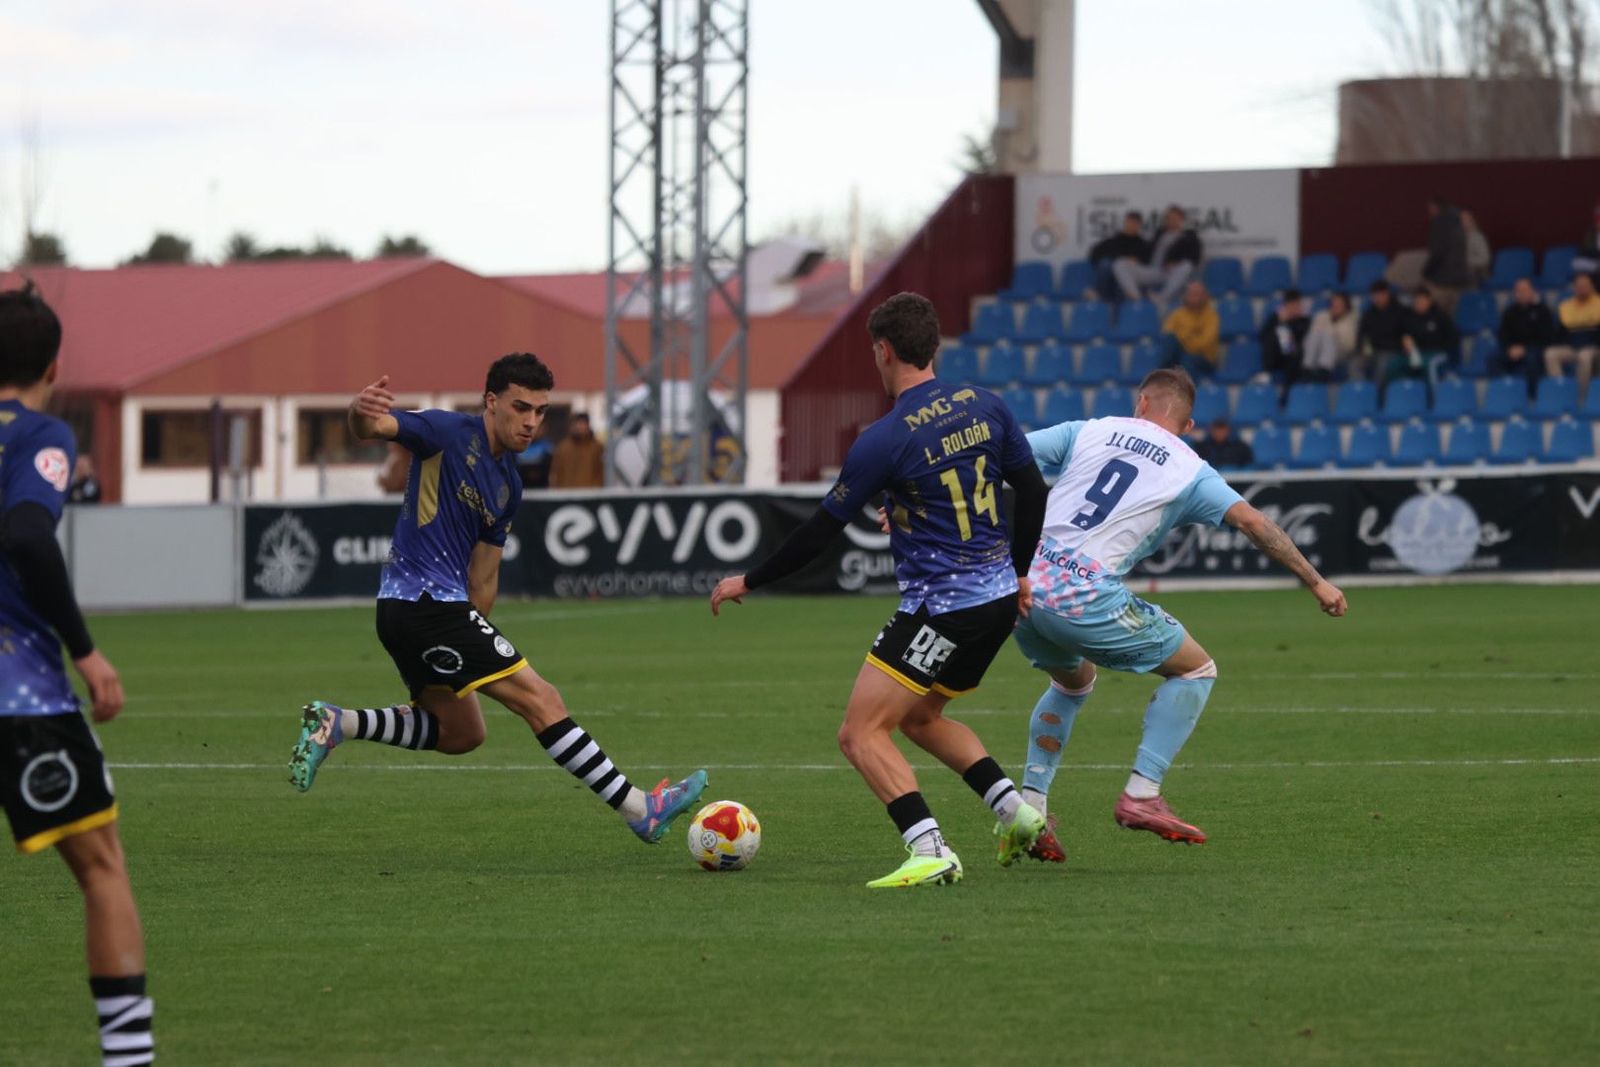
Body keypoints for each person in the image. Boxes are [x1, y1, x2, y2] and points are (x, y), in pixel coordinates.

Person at [288, 355, 707, 847]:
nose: (531, 421)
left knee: (462, 734)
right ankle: (640, 808)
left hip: (428, 615)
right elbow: (372, 426)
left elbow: (484, 577)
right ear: (491, 402)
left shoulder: (508, 484)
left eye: (541, 410)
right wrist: (360, 410)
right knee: (542, 698)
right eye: (520, 407)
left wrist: (472, 642)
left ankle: (340, 723)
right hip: (423, 602)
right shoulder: (444, 432)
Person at [708, 292, 1050, 888]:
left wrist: (750, 579)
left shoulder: (885, 438)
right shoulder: (987, 406)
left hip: (941, 610)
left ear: (883, 351)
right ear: (935, 346)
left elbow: (820, 531)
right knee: (921, 717)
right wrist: (1018, 572)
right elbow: (1032, 491)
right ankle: (1015, 814)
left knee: (859, 732)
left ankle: (929, 848)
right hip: (996, 601)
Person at [1010, 368, 1347, 860]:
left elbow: (1003, 454)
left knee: (1073, 682)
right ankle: (1142, 794)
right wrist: (1316, 580)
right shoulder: (1191, 468)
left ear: (1141, 402)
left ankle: (1029, 808)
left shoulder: (1091, 428)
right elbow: (1254, 524)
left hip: (1020, 586)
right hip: (1082, 596)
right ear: (1188, 425)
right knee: (1198, 669)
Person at [0, 284, 153, 1067]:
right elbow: (28, 533)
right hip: (18, 692)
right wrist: (86, 649)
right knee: (102, 868)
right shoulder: (40, 434)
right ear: (54, 363)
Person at [1113, 205, 1202, 307]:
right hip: (1151, 270)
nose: (1170, 220)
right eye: (1168, 218)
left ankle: (1162, 298)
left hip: (1171, 272)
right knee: (1120, 263)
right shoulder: (1160, 232)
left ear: (1181, 220)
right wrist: (1135, 258)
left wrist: (1176, 261)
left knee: (1187, 265)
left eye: (1174, 218)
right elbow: (1146, 250)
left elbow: (1195, 257)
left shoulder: (1189, 236)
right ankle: (1137, 298)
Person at [1495, 278, 1559, 398]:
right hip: (1514, 349)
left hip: (1535, 348)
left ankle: (1531, 395)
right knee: (1493, 358)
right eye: (1518, 291)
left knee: (1532, 359)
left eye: (1524, 290)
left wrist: (1525, 348)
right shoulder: (1509, 312)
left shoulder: (1543, 310)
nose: (1521, 293)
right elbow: (1503, 335)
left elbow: (1547, 337)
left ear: (1532, 291)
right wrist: (1510, 348)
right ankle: (1503, 392)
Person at [1545, 271, 1600, 399]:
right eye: (1579, 286)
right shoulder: (1565, 307)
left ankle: (1581, 396)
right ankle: (1561, 391)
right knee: (1550, 354)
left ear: (1592, 286)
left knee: (1584, 356)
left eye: (1585, 285)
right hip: (1572, 347)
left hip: (1594, 348)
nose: (1581, 289)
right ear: (1574, 288)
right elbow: (1560, 333)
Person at [1397, 286, 1461, 395]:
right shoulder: (1409, 318)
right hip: (1416, 353)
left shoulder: (1440, 316)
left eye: (1422, 301)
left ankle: (1434, 399)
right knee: (1395, 364)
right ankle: (1402, 398)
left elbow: (1454, 338)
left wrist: (1441, 347)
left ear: (1429, 300)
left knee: (1430, 365)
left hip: (1438, 352)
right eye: (1417, 301)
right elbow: (1404, 336)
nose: (1419, 304)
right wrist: (1406, 344)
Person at [1159, 280, 1220, 377]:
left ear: (1205, 295)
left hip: (1204, 358)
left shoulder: (1212, 316)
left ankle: (1187, 390)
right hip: (1181, 353)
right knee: (1170, 341)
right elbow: (1167, 333)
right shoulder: (1177, 314)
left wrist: (1183, 337)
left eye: (1198, 293)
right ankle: (1161, 378)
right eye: (1191, 293)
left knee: (1188, 359)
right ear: (1186, 295)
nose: (1194, 296)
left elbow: (1205, 343)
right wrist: (1188, 337)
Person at [1421, 198, 1471, 315]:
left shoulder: (1439, 225)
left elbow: (1437, 253)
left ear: (1436, 208)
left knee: (1439, 316)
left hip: (1442, 282)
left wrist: (1426, 272)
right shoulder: (1458, 225)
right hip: (1459, 280)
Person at [1258, 288, 1311, 397]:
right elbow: (1263, 336)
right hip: (1276, 357)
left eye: (1297, 304)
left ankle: (1286, 395)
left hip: (1294, 358)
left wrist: (1285, 325)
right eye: (1291, 305)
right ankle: (1266, 372)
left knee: (1285, 335)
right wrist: (1281, 322)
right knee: (1276, 332)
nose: (1294, 308)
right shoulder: (1276, 318)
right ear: (1286, 305)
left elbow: (1302, 339)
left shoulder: (1304, 320)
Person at [1089, 210, 1149, 304]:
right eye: (1129, 222)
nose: (1131, 225)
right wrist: (1116, 260)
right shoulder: (1114, 240)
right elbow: (1094, 254)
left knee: (1125, 272)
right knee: (1106, 263)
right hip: (1109, 278)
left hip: (1128, 278)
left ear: (1139, 225)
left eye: (1134, 223)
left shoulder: (1143, 244)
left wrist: (1134, 261)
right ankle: (1100, 297)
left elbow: (1146, 262)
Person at [1357, 280, 1405, 385]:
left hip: (1391, 350)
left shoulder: (1400, 312)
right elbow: (1362, 334)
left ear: (1387, 294)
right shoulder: (1369, 313)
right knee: (1356, 364)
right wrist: (1364, 347)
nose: (1377, 298)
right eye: (1375, 296)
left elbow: (1404, 335)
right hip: (1372, 351)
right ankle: (1362, 393)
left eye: (1380, 295)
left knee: (1382, 366)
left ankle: (1378, 397)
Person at [1304, 291, 1359, 381]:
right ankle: (1307, 371)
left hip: (1339, 352)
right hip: (1314, 352)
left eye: (1339, 304)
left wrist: (1331, 335)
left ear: (1346, 306)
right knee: (1316, 336)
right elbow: (1312, 336)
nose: (1335, 306)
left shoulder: (1351, 319)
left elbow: (1350, 344)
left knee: (1327, 338)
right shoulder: (1321, 316)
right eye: (1334, 304)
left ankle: (1321, 373)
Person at [549, 412, 605, 488]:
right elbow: (556, 472)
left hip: (591, 494)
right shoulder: (563, 447)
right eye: (577, 424)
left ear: (588, 425)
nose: (580, 427)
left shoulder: (597, 447)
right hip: (566, 494)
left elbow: (601, 472)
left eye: (583, 424)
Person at [1461, 209, 1491, 287]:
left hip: (1476, 272)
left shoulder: (1478, 237)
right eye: (1460, 219)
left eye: (1465, 219)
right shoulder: (1456, 237)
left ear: (1472, 221)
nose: (1462, 222)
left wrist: (1465, 262)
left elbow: (1484, 259)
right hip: (1458, 271)